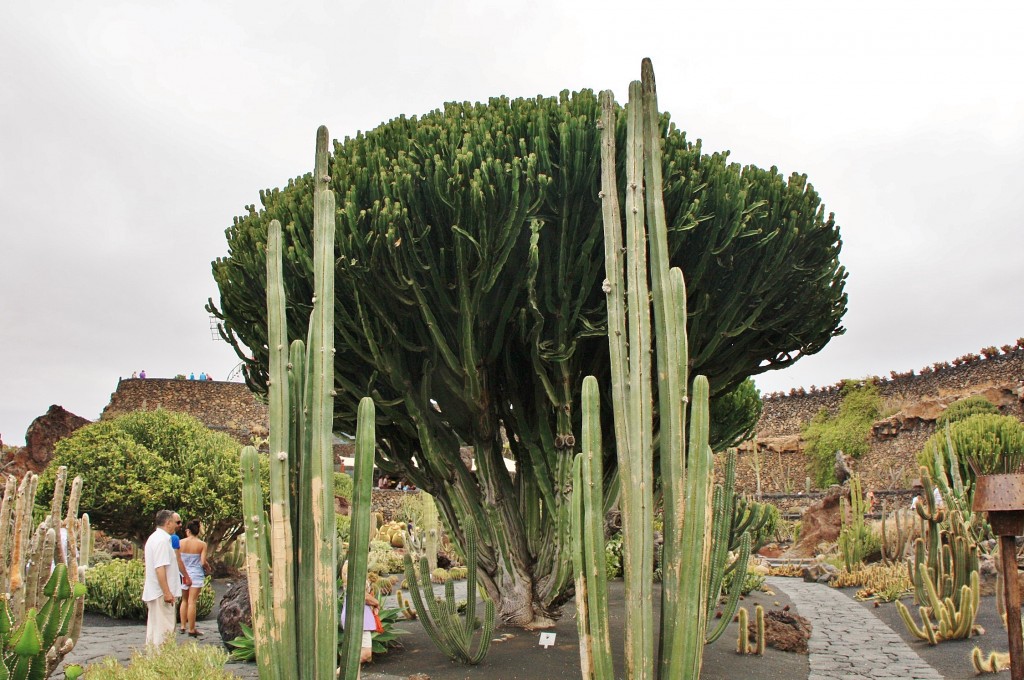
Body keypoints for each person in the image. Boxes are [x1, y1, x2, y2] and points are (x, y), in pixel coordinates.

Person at [142, 510, 183, 648]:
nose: (176, 526)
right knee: (165, 629)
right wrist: (167, 592)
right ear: (168, 522)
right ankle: (163, 659)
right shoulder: (162, 540)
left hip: (156, 592)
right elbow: (160, 568)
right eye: (174, 522)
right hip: (161, 593)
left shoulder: (155, 538)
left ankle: (153, 658)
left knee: (155, 628)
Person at [178, 519, 211, 637]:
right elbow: (202, 562)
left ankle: (182, 626)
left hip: (183, 574)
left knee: (184, 600)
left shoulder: (180, 543)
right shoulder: (202, 544)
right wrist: (208, 566)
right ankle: (191, 629)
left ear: (188, 531)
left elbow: (177, 559)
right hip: (196, 574)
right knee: (192, 601)